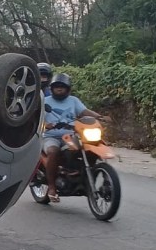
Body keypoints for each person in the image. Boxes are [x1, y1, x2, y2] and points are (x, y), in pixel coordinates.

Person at [42, 73, 111, 202]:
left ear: (68, 89)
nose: (59, 89)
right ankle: (51, 187)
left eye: (62, 86)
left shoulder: (73, 100)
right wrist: (46, 125)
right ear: (51, 88)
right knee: (53, 151)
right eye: (56, 86)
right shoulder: (45, 101)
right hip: (50, 136)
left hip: (71, 135)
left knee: (89, 149)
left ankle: (82, 177)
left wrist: (99, 117)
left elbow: (85, 112)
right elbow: (35, 119)